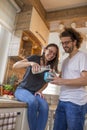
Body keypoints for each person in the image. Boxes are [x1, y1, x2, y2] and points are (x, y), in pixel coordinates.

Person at [13, 43, 59, 130]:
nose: (52, 55)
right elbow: (15, 66)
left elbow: (46, 83)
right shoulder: (34, 58)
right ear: (45, 50)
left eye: (54, 54)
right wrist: (30, 63)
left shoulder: (49, 68)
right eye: (50, 51)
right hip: (22, 90)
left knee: (45, 106)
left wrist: (40, 91)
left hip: (34, 93)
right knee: (33, 101)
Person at [50, 28, 87, 130]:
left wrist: (61, 81)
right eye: (62, 43)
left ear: (74, 42)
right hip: (62, 100)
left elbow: (85, 80)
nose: (64, 45)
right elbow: (61, 79)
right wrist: (53, 77)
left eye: (67, 42)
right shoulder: (65, 61)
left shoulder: (82, 56)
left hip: (76, 103)